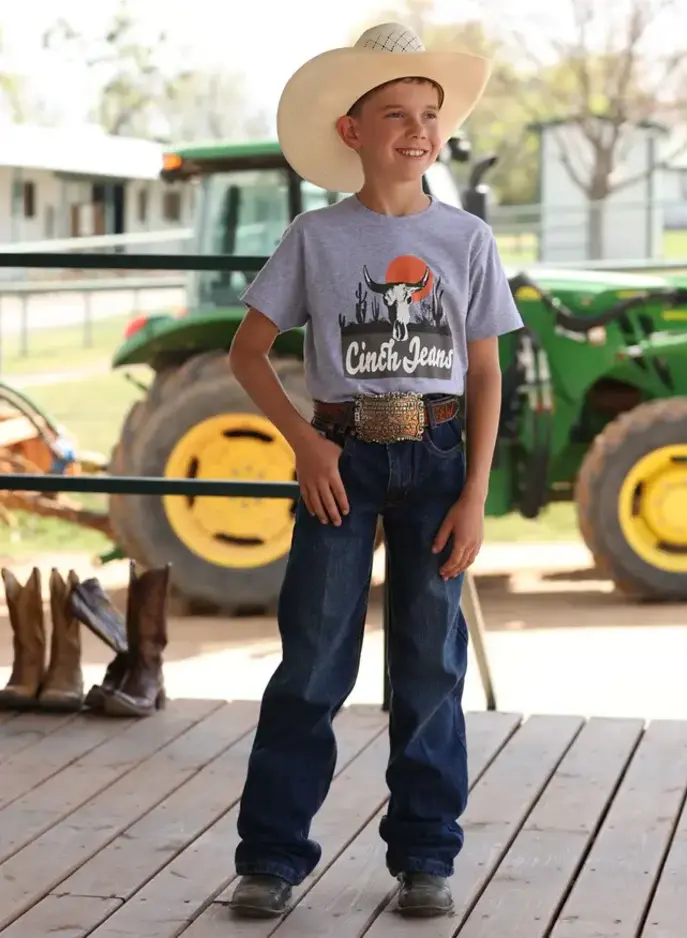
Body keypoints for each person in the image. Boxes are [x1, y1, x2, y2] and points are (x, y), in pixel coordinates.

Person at [226, 21, 524, 920]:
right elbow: (247, 352)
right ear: (351, 132)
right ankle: (273, 855)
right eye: (395, 113)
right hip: (338, 462)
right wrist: (304, 442)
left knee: (432, 666)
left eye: (429, 113)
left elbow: (483, 371)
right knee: (314, 664)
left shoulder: (466, 240)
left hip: (436, 461)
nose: (417, 129)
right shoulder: (316, 238)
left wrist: (473, 493)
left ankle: (427, 854)